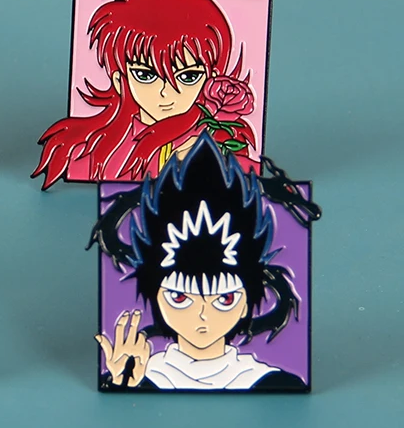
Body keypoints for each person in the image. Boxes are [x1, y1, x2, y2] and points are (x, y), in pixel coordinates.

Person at [91, 135, 308, 391]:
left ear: (245, 304)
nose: (202, 315)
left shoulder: (274, 382)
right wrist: (122, 384)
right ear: (157, 298)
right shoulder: (141, 375)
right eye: (180, 298)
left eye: (225, 299)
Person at [32, 0, 258, 188]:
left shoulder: (221, 139)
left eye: (188, 77)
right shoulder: (96, 153)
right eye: (146, 75)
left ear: (211, 79)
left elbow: (248, 177)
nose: (166, 93)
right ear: (120, 80)